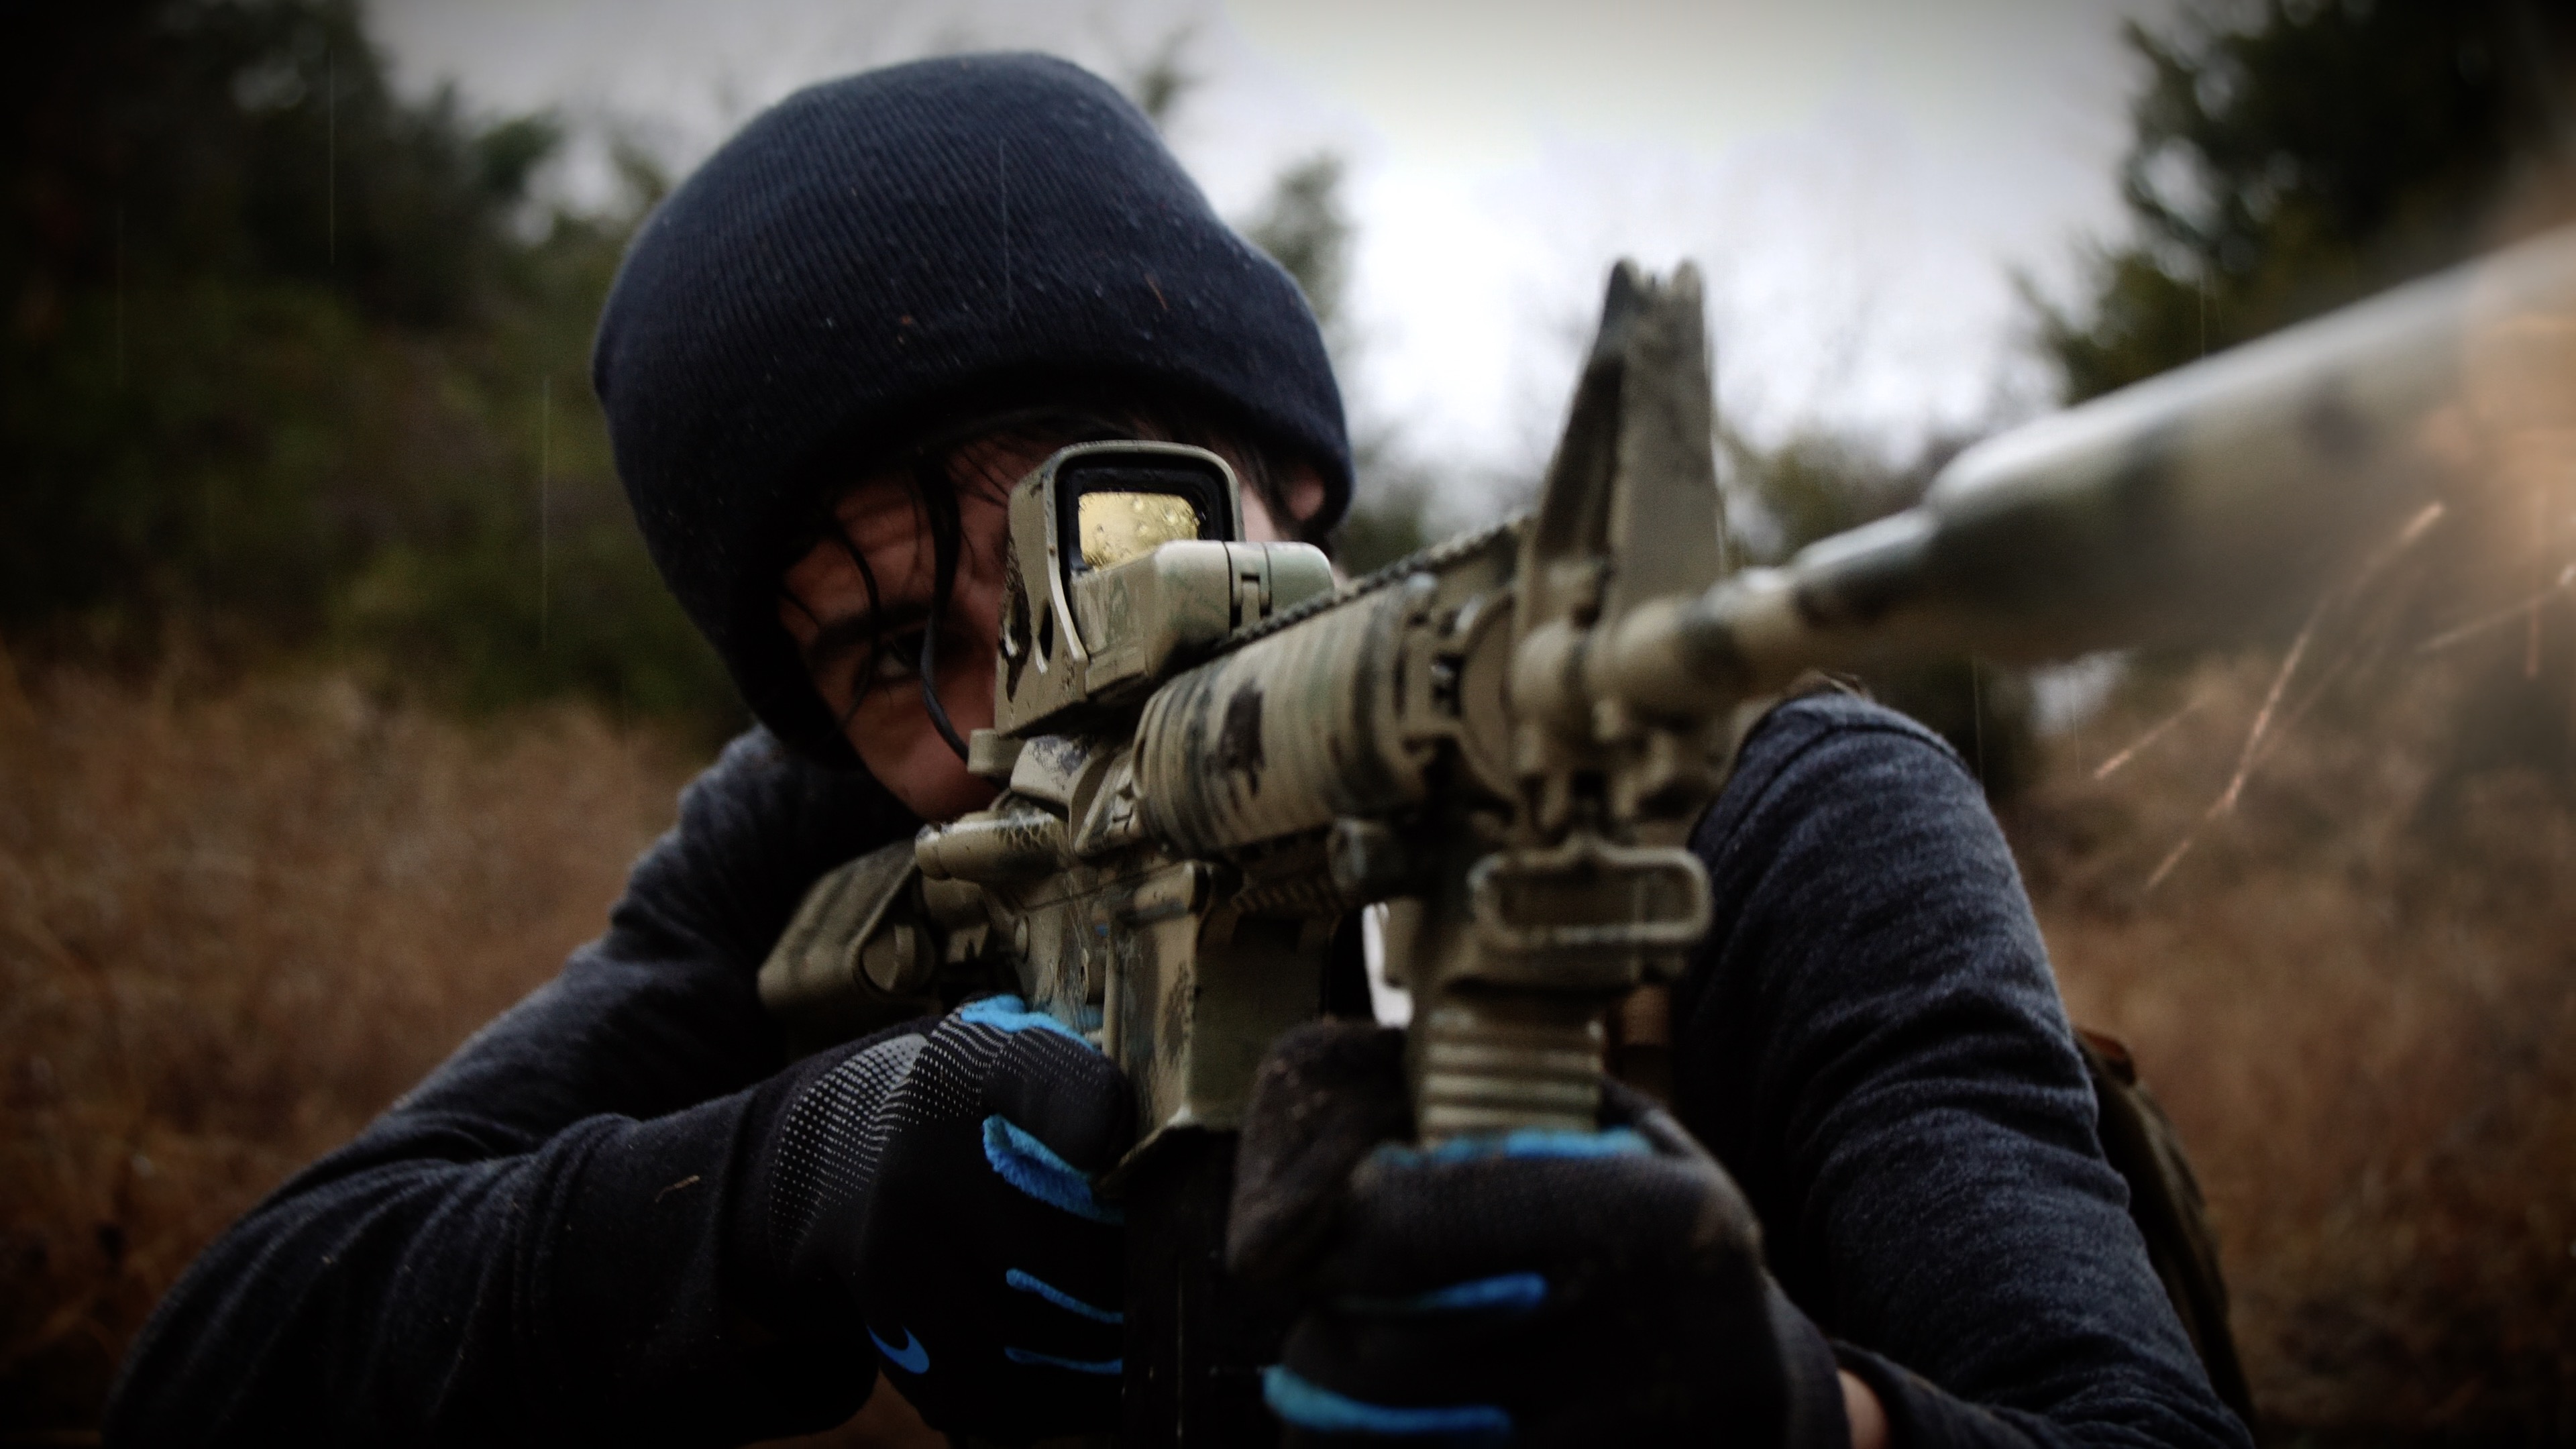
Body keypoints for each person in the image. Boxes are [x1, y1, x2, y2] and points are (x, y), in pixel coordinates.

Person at [104, 54, 2252, 1449]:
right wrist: (784, 1189)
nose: (1022, 692)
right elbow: (226, 1358)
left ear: (1287, 484)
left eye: (1104, 535)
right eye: (887, 656)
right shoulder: (815, 858)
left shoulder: (1772, 810)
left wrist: (1791, 1419)